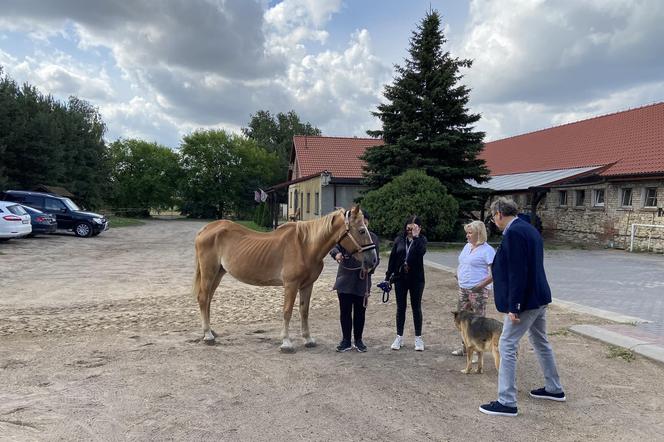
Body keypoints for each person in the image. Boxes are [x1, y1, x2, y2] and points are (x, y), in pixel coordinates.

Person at [479, 198, 565, 417]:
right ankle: (554, 388)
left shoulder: (515, 233)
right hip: (539, 296)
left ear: (498, 213)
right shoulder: (528, 228)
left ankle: (506, 401)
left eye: (492, 216)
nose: (493, 221)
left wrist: (514, 305)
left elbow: (518, 271)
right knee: (540, 341)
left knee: (506, 344)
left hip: (525, 300)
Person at [329, 212, 380, 353]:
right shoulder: (348, 235)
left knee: (360, 312)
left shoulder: (373, 238)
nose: (363, 223)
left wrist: (370, 268)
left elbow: (376, 259)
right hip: (345, 280)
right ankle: (346, 340)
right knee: (344, 312)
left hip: (361, 282)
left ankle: (358, 340)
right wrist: (336, 254)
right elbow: (334, 247)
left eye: (365, 221)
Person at [452, 220, 495, 356]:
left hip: (478, 291)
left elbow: (494, 273)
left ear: (479, 234)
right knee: (462, 320)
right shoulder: (467, 247)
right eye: (467, 233)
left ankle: (478, 352)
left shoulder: (487, 250)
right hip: (463, 289)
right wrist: (457, 273)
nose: (467, 235)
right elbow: (463, 263)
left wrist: (480, 286)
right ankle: (465, 347)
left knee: (478, 322)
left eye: (470, 233)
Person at [386, 215, 427, 351]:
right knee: (400, 308)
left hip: (417, 279)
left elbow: (421, 252)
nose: (410, 230)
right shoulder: (399, 240)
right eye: (409, 227)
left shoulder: (421, 240)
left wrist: (416, 237)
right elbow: (392, 259)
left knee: (416, 308)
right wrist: (388, 277)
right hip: (400, 278)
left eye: (414, 227)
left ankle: (418, 338)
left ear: (419, 228)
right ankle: (399, 337)